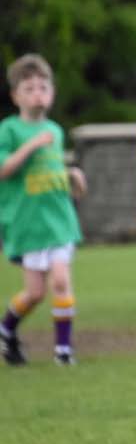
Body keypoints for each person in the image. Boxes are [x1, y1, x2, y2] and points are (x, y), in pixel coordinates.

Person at [0, 53, 86, 366]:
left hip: (58, 221)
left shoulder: (55, 130)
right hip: (27, 222)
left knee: (61, 280)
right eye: (30, 88)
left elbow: (50, 172)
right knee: (34, 292)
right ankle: (6, 329)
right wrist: (31, 145)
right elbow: (4, 170)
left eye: (43, 87)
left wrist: (71, 177)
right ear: (15, 96)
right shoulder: (9, 130)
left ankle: (63, 350)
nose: (38, 93)